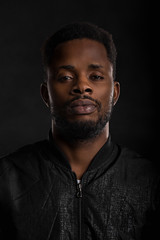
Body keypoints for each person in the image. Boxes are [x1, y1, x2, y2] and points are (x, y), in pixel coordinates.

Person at [0, 22, 159, 240]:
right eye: (65, 77)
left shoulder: (149, 180)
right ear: (46, 94)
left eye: (96, 76)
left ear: (115, 93)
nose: (82, 86)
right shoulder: (7, 178)